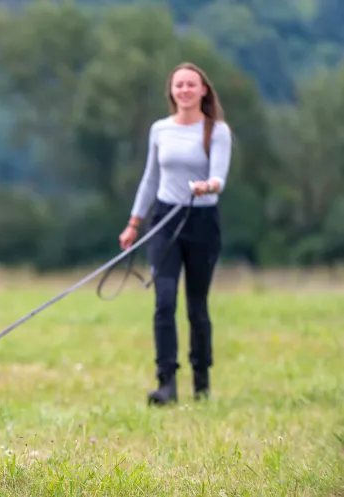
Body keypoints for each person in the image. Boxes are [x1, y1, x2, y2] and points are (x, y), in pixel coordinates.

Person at [118, 62, 232, 406]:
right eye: (178, 85)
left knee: (197, 305)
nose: (184, 90)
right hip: (164, 220)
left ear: (203, 91)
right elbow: (150, 179)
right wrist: (134, 223)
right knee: (164, 301)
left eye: (191, 85)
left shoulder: (217, 130)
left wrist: (207, 186)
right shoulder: (160, 130)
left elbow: (219, 177)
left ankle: (202, 379)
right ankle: (166, 381)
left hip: (202, 220)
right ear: (172, 91)